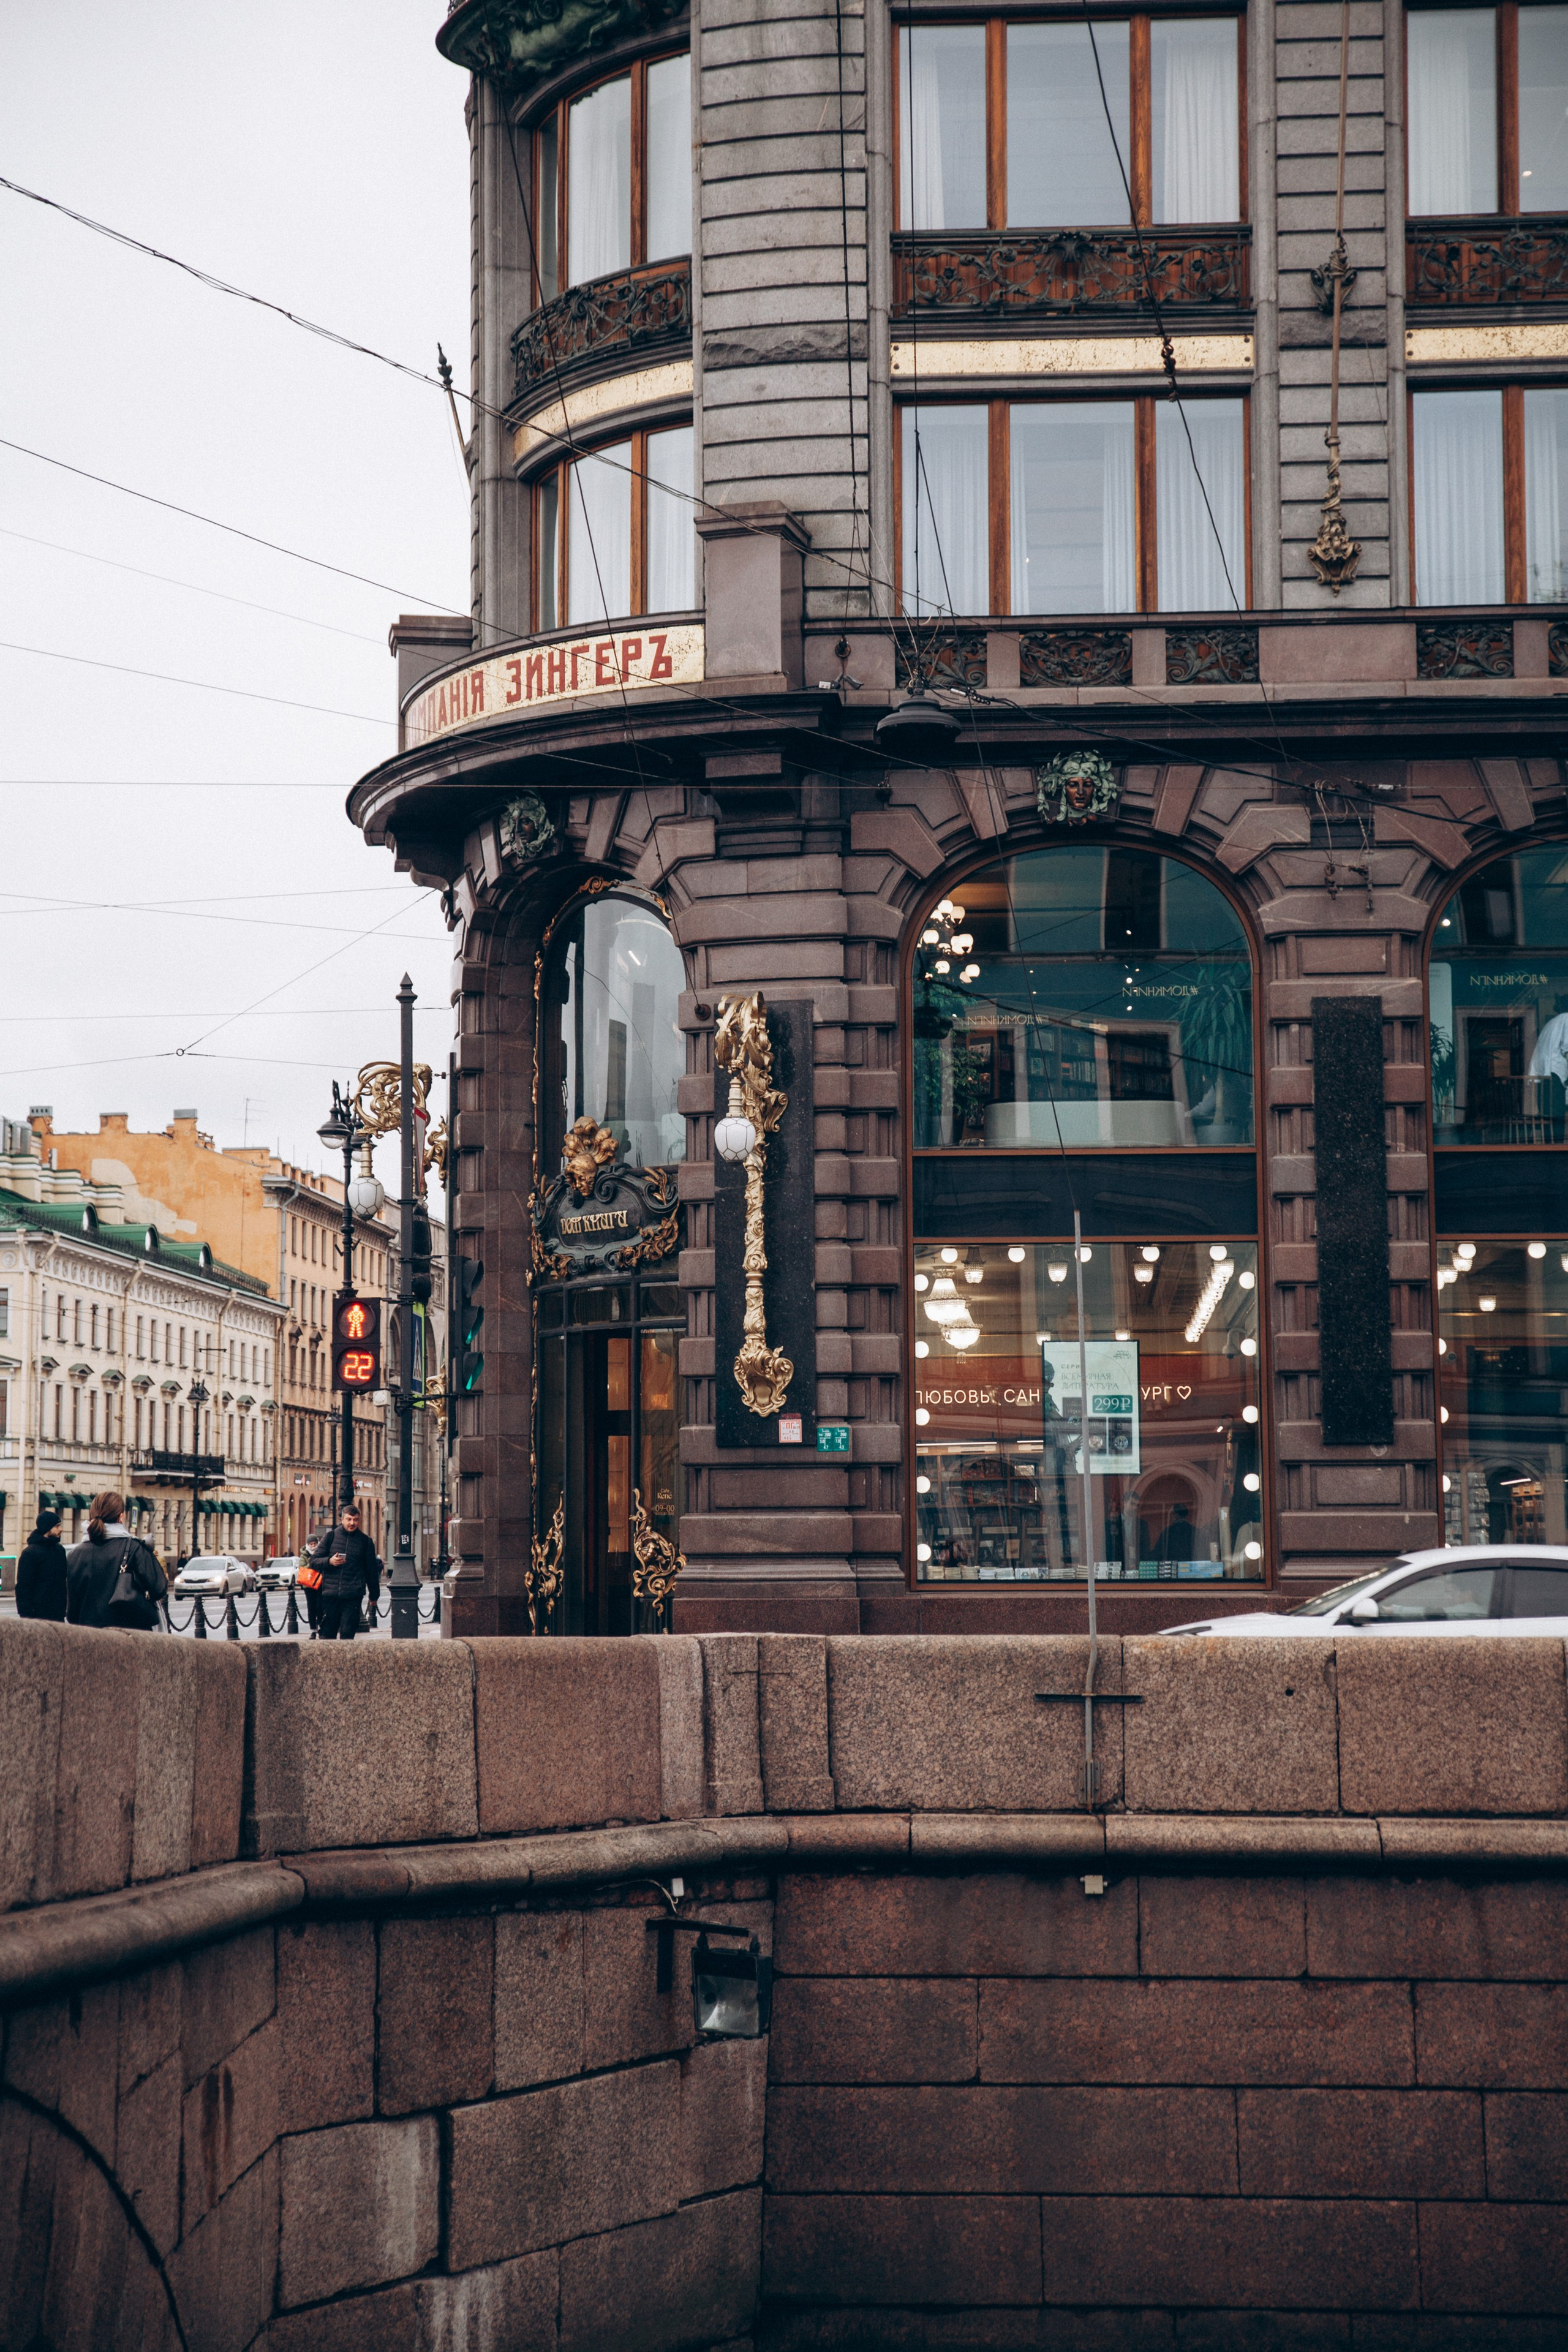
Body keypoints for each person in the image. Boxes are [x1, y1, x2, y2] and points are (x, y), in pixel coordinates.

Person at [66, 1491, 167, 1632]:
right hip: (132, 1635)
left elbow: (72, 1612)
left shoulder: (74, 1555)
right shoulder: (135, 1548)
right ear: (121, 1517)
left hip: (89, 1637)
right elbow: (160, 1588)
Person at [307, 1504, 382, 1641]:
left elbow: (371, 1571)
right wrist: (330, 1561)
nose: (352, 1523)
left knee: (347, 1635)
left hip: (353, 1596)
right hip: (331, 1595)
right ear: (342, 1520)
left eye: (355, 1520)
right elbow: (314, 1561)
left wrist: (374, 1595)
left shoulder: (365, 1542)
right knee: (327, 1635)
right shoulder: (330, 1537)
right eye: (349, 1519)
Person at [16, 1509, 67, 1621]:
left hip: (58, 1616)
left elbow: (62, 1582)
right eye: (57, 1526)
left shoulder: (60, 1551)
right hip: (37, 1617)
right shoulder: (30, 1553)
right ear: (47, 1528)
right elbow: (24, 1587)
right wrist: (27, 1616)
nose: (61, 1529)